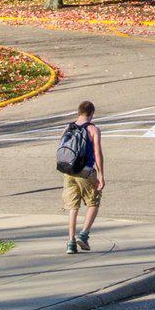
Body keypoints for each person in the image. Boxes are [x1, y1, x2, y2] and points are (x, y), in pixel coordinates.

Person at [62, 101, 104, 253]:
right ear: (91, 113)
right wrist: (101, 175)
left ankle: (71, 242)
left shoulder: (68, 127)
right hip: (85, 171)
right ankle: (84, 235)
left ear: (78, 112)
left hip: (69, 171)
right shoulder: (93, 129)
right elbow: (97, 154)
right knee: (94, 201)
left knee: (73, 207)